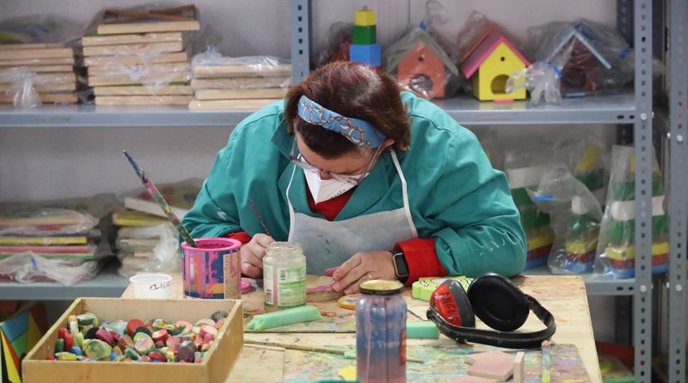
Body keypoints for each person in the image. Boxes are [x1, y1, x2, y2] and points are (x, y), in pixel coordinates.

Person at [182, 61, 526, 295]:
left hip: (404, 317)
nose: (322, 179)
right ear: (293, 127)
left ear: (386, 144)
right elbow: (198, 229)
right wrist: (237, 249)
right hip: (279, 315)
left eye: (344, 172)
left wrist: (403, 263)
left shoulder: (440, 146)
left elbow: (505, 242)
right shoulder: (255, 138)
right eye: (307, 163)